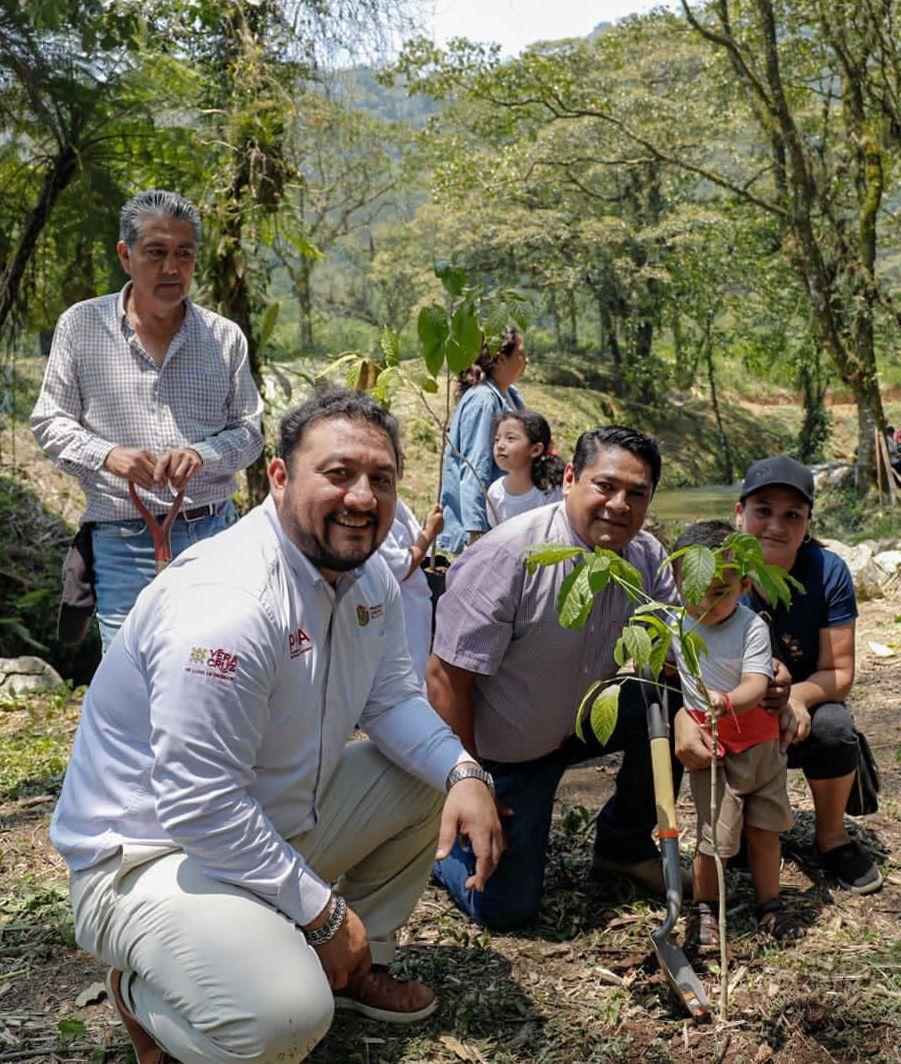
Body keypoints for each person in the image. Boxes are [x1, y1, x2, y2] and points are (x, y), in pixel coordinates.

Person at [49, 388, 504, 1064]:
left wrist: (464, 771)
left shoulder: (367, 577)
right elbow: (198, 807)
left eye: (381, 479)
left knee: (430, 776)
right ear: (280, 477)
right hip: (150, 857)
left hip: (264, 827)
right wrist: (321, 913)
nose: (362, 497)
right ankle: (143, 991)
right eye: (339, 473)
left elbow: (391, 702)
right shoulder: (226, 605)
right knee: (282, 1024)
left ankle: (357, 963)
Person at [428, 426, 685, 929]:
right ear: (569, 478)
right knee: (506, 910)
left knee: (675, 701)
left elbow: (677, 647)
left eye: (637, 494)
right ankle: (430, 844)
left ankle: (625, 846)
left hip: (582, 719)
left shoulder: (646, 556)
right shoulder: (509, 556)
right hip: (504, 752)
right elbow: (444, 678)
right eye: (604, 486)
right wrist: (469, 779)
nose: (619, 504)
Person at [30, 188, 262, 649]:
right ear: (125, 255)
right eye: (156, 253)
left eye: (184, 254)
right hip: (123, 538)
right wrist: (108, 455)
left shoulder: (224, 337)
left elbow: (251, 431)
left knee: (216, 666)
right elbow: (49, 422)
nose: (171, 269)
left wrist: (202, 454)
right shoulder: (81, 327)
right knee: (129, 674)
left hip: (214, 533)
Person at [675, 456, 885, 895]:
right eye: (763, 511)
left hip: (794, 717)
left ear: (807, 524)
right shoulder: (711, 569)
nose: (775, 525)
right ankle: (724, 838)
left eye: (792, 515)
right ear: (739, 513)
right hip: (729, 720)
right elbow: (675, 663)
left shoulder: (828, 572)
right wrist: (684, 714)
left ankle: (832, 837)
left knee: (834, 728)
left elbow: (841, 673)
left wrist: (798, 697)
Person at [671, 521, 801, 946]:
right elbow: (662, 670)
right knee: (713, 840)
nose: (705, 602)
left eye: (719, 590)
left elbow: (757, 683)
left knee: (765, 830)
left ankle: (771, 904)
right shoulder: (674, 628)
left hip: (760, 746)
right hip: (714, 751)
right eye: (693, 589)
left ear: (744, 586)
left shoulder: (751, 627)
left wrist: (727, 702)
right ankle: (705, 908)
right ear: (675, 583)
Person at [438, 326, 527, 553]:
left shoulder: (510, 396)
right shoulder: (484, 400)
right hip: (485, 532)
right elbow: (475, 468)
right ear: (500, 359)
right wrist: (476, 533)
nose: (526, 360)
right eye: (520, 354)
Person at [377, 499, 446, 683]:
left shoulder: (394, 501)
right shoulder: (372, 508)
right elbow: (401, 566)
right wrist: (430, 532)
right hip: (401, 609)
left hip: (414, 605)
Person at [486, 410, 564, 526]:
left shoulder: (551, 492)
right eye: (497, 439)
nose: (500, 445)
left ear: (536, 449)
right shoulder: (495, 492)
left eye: (510, 438)